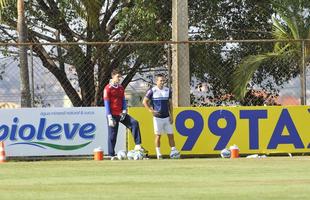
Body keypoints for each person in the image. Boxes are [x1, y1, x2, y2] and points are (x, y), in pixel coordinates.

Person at [103, 69, 144, 159]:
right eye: (118, 76)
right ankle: (111, 154)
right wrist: (109, 117)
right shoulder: (107, 88)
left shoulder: (121, 88)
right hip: (112, 115)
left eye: (120, 77)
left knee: (134, 123)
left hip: (121, 114)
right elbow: (106, 103)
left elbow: (123, 100)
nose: (119, 78)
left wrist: (125, 111)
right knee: (112, 135)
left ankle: (138, 145)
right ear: (113, 76)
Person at [143, 74, 180, 159]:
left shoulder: (167, 90)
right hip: (157, 118)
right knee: (158, 135)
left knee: (171, 135)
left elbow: (170, 104)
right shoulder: (152, 91)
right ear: (157, 81)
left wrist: (171, 116)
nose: (162, 82)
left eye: (164, 81)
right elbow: (144, 101)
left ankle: (173, 151)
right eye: (161, 80)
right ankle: (158, 153)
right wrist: (150, 110)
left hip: (167, 117)